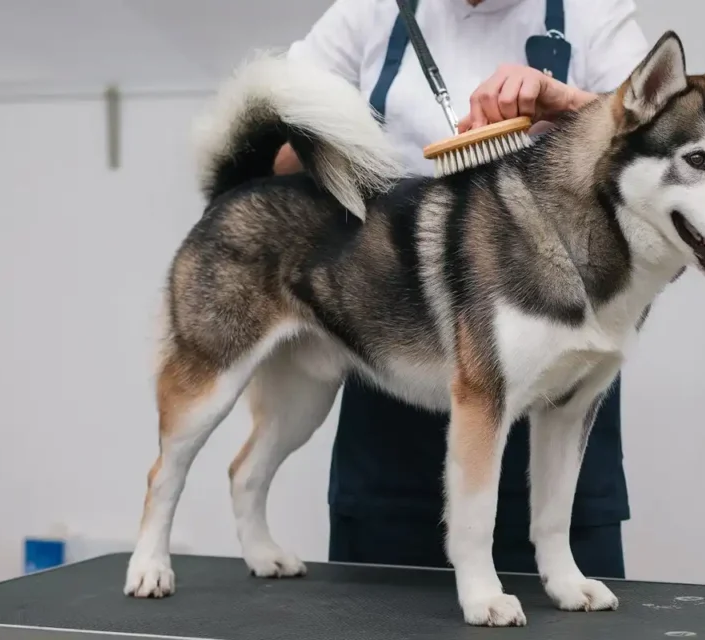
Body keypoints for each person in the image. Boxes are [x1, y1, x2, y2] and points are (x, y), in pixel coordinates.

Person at [276, 0, 650, 579]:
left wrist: (570, 106)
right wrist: (334, 129)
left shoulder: (595, 17)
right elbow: (270, 159)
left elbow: (671, 141)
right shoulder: (365, 14)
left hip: (559, 395)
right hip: (395, 373)